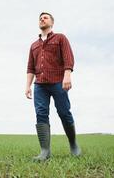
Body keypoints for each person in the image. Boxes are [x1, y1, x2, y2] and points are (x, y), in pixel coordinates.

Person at [25, 12, 81, 162]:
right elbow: (30, 68)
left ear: (52, 22)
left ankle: (73, 144)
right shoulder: (34, 46)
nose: (42, 19)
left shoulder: (60, 38)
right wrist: (28, 86)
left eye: (46, 17)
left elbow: (68, 58)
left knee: (64, 112)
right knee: (41, 114)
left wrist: (67, 76)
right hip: (40, 85)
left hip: (58, 82)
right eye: (40, 18)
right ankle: (45, 151)